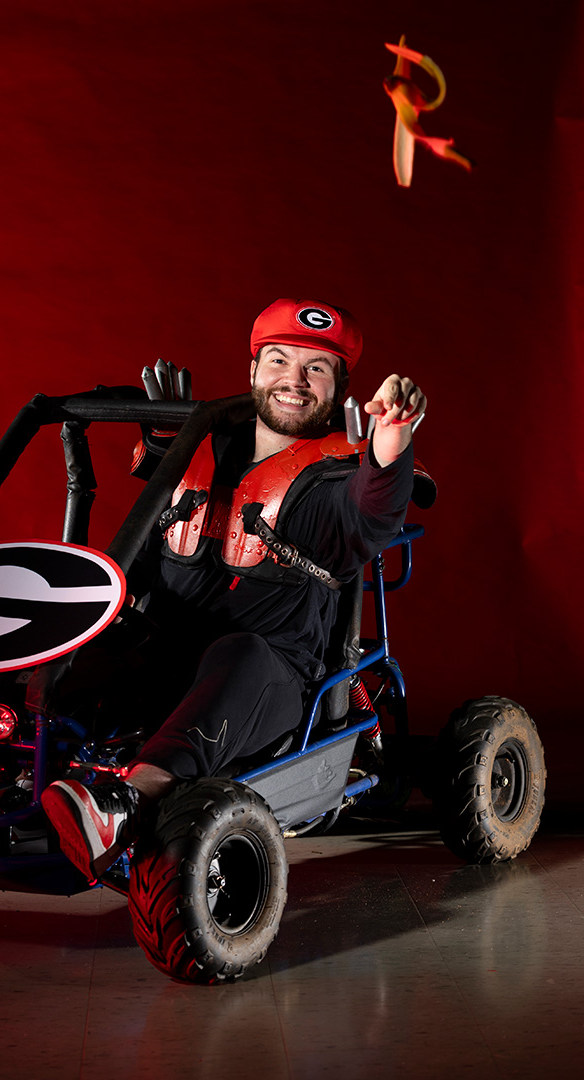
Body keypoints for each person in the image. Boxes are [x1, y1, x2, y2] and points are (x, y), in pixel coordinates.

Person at [41, 297, 427, 882]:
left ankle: (125, 805)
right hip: (162, 658)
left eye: (315, 368)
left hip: (269, 680)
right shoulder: (194, 447)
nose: (293, 382)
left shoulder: (345, 474)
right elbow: (136, 567)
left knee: (237, 652)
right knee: (76, 640)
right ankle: (14, 770)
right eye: (278, 361)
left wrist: (392, 442)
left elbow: (375, 513)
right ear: (252, 370)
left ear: (339, 383)